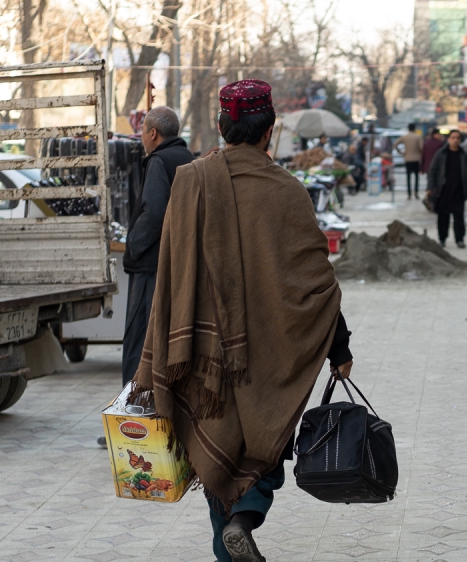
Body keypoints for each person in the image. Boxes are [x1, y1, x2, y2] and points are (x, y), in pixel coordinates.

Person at [130, 80, 355, 562]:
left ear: (220, 126)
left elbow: (170, 274)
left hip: (201, 354)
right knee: (263, 453)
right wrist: (340, 349)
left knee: (215, 455)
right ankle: (244, 518)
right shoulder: (288, 192)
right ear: (269, 131)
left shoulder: (190, 180)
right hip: (266, 357)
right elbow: (317, 285)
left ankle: (229, 538)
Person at [121, 106, 194, 387]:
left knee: (139, 340)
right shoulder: (187, 158)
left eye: (142, 131)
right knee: (164, 339)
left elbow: (153, 214)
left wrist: (132, 246)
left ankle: (131, 418)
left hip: (151, 265)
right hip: (175, 261)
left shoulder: (158, 161)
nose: (141, 137)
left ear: (153, 133)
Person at [427, 130, 467, 248]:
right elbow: (432, 171)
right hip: (443, 190)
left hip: (458, 191)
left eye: (458, 138)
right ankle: (442, 239)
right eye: (453, 138)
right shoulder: (441, 154)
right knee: (443, 217)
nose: (455, 140)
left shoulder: (463, 155)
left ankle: (460, 239)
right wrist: (431, 187)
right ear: (448, 139)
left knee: (459, 217)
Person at [395, 123, 424, 199]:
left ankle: (409, 194)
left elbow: (395, 144)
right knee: (416, 177)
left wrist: (401, 152)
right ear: (415, 128)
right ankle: (416, 193)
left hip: (408, 158)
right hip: (416, 159)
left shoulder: (405, 137)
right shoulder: (418, 137)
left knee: (408, 177)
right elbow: (421, 147)